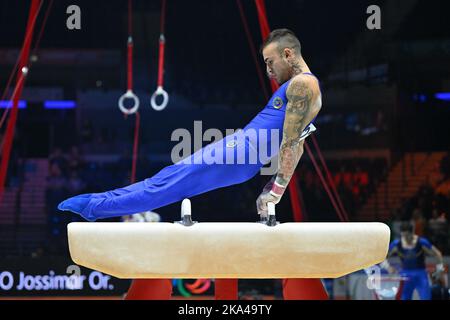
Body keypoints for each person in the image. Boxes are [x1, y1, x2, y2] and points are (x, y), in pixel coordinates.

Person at [59, 28, 327, 299]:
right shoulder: (312, 92)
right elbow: (297, 144)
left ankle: (94, 206)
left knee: (165, 183)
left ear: (288, 54)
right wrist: (274, 187)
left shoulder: (302, 86)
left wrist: (277, 188)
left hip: (239, 152)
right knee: (167, 183)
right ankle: (97, 205)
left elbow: (292, 143)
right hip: (245, 161)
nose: (269, 70)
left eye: (270, 62)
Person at [381, 222, 445, 300]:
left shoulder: (421, 242)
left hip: (421, 275)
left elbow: (438, 253)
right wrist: (388, 267)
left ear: (412, 233)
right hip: (405, 276)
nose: (406, 238)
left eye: (407, 236)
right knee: (404, 298)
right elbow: (382, 257)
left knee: (426, 298)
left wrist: (440, 268)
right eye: (403, 236)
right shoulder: (397, 244)